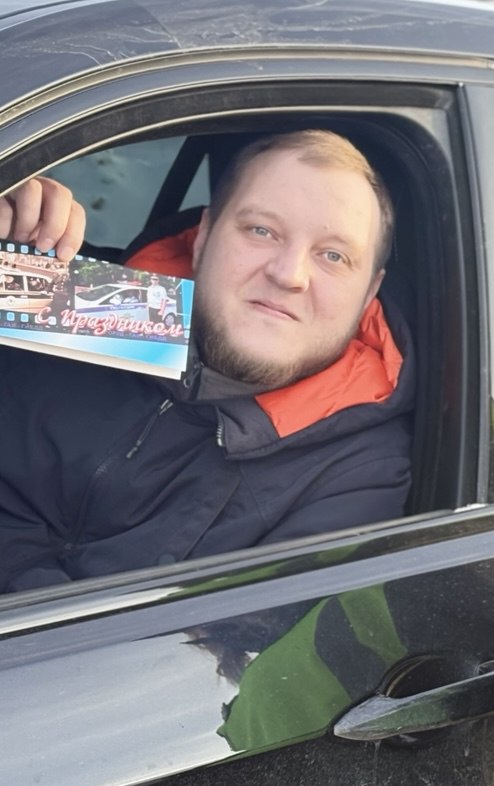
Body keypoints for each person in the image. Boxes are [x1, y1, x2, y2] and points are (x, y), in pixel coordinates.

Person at [0, 129, 413, 593]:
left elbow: (201, 653)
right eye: (262, 230)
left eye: (334, 255)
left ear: (369, 294)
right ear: (203, 237)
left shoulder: (358, 475)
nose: (289, 274)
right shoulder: (96, 302)